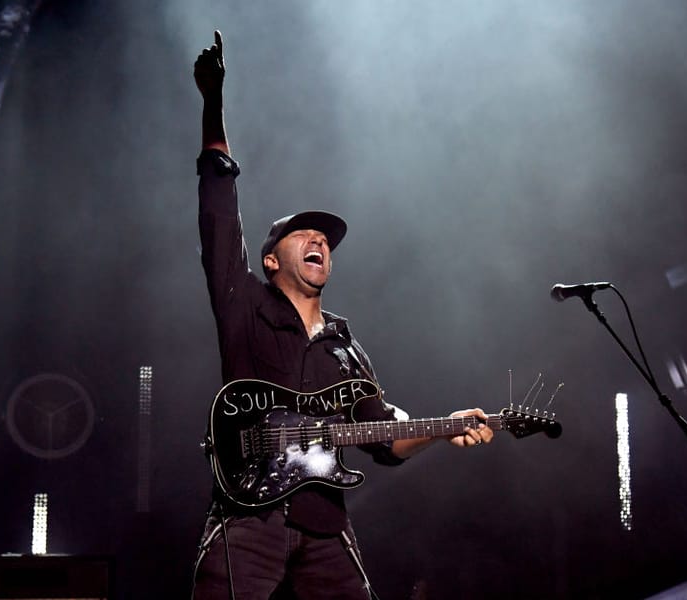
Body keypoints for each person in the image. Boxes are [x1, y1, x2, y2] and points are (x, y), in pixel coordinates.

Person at [191, 29, 495, 600]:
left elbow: (387, 442)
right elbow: (217, 214)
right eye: (302, 234)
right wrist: (213, 103)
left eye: (325, 239)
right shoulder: (245, 305)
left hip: (325, 522)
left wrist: (443, 426)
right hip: (245, 518)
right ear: (270, 258)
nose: (318, 240)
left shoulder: (345, 348)